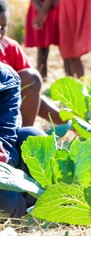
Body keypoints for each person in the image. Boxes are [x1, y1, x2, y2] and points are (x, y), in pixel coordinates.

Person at [0, 0, 63, 127]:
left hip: (6, 122)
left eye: (2, 27)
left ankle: (20, 138)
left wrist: (69, 121)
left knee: (31, 77)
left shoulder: (10, 48)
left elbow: (31, 92)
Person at [0, 62, 46, 218]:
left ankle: (28, 210)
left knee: (32, 137)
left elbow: (7, 134)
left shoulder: (6, 78)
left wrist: (4, 157)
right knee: (6, 200)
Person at [16, 0, 69, 80]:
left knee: (63, 44)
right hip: (37, 4)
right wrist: (35, 1)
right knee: (42, 46)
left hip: (55, 4)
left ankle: (71, 76)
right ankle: (41, 78)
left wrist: (52, 2)